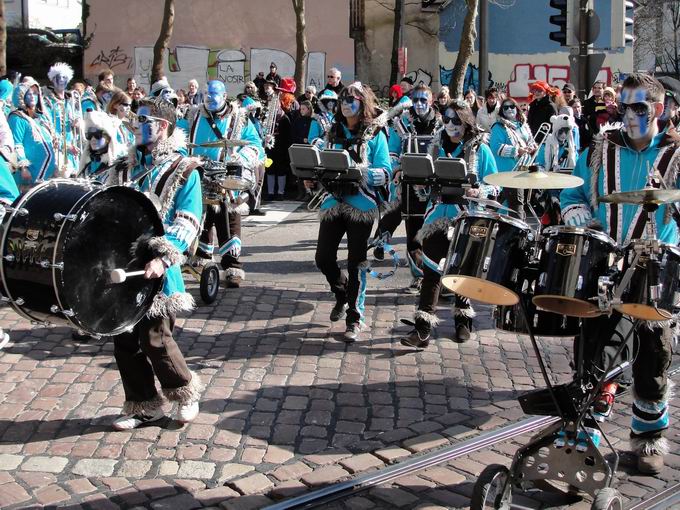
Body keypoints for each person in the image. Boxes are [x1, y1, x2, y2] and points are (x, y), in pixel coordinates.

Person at [560, 73, 678, 475]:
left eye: (640, 108)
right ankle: (584, 428)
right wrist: (578, 216)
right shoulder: (601, 147)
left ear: (659, 110)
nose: (629, 116)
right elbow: (573, 192)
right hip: (604, 262)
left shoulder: (677, 155)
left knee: (652, 352)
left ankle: (648, 436)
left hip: (654, 267)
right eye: (623, 107)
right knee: (592, 343)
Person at [106, 97, 204, 430]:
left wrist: (163, 259)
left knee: (155, 338)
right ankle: (144, 405)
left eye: (143, 119)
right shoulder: (122, 165)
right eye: (136, 119)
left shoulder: (184, 169)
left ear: (162, 127)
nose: (136, 124)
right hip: (123, 265)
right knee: (124, 339)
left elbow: (188, 220)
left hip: (158, 269)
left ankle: (185, 393)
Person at [401, 99, 498, 347]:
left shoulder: (481, 149)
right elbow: (425, 192)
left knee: (463, 271)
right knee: (432, 271)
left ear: (466, 121)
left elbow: (496, 185)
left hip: (467, 217)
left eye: (456, 120)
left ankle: (463, 320)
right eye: (446, 120)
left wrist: (481, 191)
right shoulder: (434, 146)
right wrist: (422, 186)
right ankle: (422, 328)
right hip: (437, 216)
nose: (450, 125)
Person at [314, 82, 391, 342]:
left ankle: (355, 317)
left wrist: (363, 172)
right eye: (343, 98)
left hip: (362, 203)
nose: (345, 102)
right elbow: (321, 159)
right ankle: (342, 292)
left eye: (352, 99)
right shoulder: (331, 131)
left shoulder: (376, 133)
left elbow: (386, 170)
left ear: (363, 103)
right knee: (323, 257)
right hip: (333, 201)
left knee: (356, 261)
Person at [180, 79, 264, 288]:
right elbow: (179, 138)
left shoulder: (239, 118)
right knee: (202, 219)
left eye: (214, 94)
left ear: (225, 96)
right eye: (206, 93)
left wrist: (240, 158)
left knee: (229, 220)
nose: (209, 97)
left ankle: (232, 265)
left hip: (226, 177)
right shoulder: (193, 115)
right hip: (199, 175)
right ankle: (202, 260)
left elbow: (255, 145)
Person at [379, 84, 438, 295]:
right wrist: (395, 170)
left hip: (434, 186)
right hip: (408, 184)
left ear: (431, 101)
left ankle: (436, 276)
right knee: (414, 233)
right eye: (416, 100)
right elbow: (393, 150)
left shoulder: (441, 122)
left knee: (435, 232)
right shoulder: (401, 122)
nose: (420, 104)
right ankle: (418, 276)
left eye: (424, 100)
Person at [489, 97, 537, 216]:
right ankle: (515, 231)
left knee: (520, 203)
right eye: (506, 107)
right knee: (516, 205)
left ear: (517, 108)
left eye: (512, 106)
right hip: (508, 172)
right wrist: (517, 151)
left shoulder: (523, 125)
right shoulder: (498, 127)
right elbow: (496, 147)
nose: (509, 109)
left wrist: (532, 147)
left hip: (524, 169)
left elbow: (531, 141)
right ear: (502, 111)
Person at [8, 78, 56, 190]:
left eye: (35, 93)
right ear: (21, 97)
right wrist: (23, 167)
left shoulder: (39, 118)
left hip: (44, 173)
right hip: (29, 175)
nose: (33, 96)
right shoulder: (17, 118)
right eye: (29, 94)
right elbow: (16, 144)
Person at [42, 62, 81, 177]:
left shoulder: (71, 101)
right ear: (53, 80)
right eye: (58, 78)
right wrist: (64, 146)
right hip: (57, 150)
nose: (61, 80)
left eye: (64, 77)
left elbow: (78, 120)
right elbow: (48, 129)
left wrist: (79, 123)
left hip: (73, 149)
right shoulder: (47, 102)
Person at [265, 77, 295, 200]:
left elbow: (288, 136)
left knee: (281, 170)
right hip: (270, 148)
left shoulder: (284, 118)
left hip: (281, 149)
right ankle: (271, 192)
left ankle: (281, 192)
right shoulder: (268, 118)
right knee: (270, 169)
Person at [78, 110, 125, 183]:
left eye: (98, 135)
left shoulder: (119, 166)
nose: (93, 139)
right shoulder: (86, 168)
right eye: (89, 135)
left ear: (108, 138)